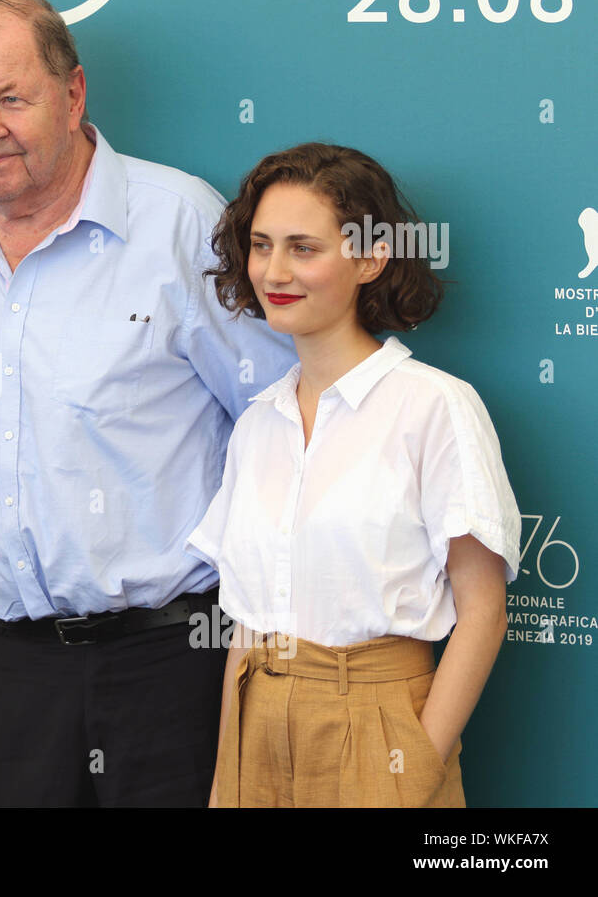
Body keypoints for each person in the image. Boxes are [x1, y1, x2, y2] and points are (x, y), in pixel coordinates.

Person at [0, 0, 295, 806]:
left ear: (75, 93)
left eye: (13, 98)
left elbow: (284, 428)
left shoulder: (181, 224)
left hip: (172, 663)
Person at [189, 142, 519, 807]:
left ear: (369, 257)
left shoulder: (434, 407)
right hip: (256, 727)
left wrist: (412, 769)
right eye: (260, 245)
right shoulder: (257, 424)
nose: (274, 270)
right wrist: (226, 787)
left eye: (303, 248)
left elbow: (483, 612)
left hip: (381, 728)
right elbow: (246, 626)